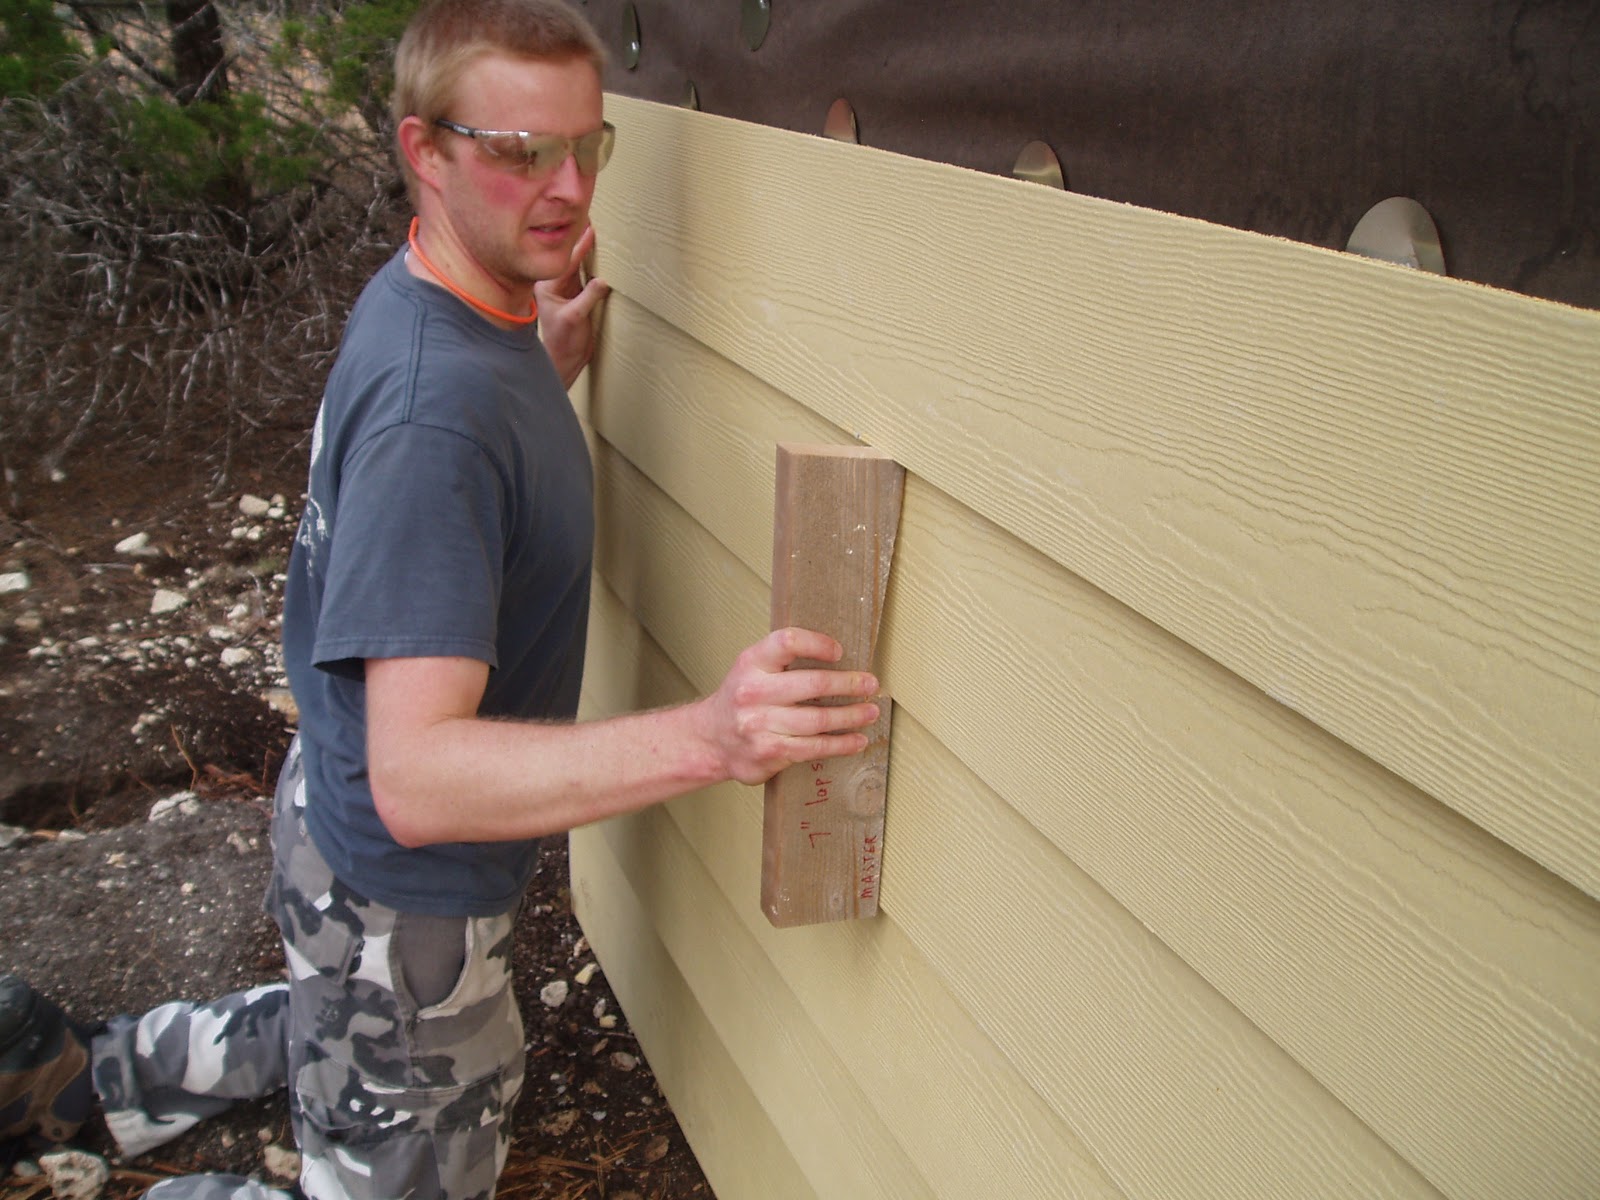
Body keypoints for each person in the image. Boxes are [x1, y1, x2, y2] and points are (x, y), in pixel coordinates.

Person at [0, 1, 881, 1196]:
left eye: (586, 146)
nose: (566, 187)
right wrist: (713, 735)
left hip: (335, 811)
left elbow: (450, 458)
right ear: (424, 151)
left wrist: (540, 363)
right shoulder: (440, 419)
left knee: (339, 1003)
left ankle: (91, 1076)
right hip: (402, 877)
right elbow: (422, 783)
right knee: (400, 1098)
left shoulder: (442, 300)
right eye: (519, 153)